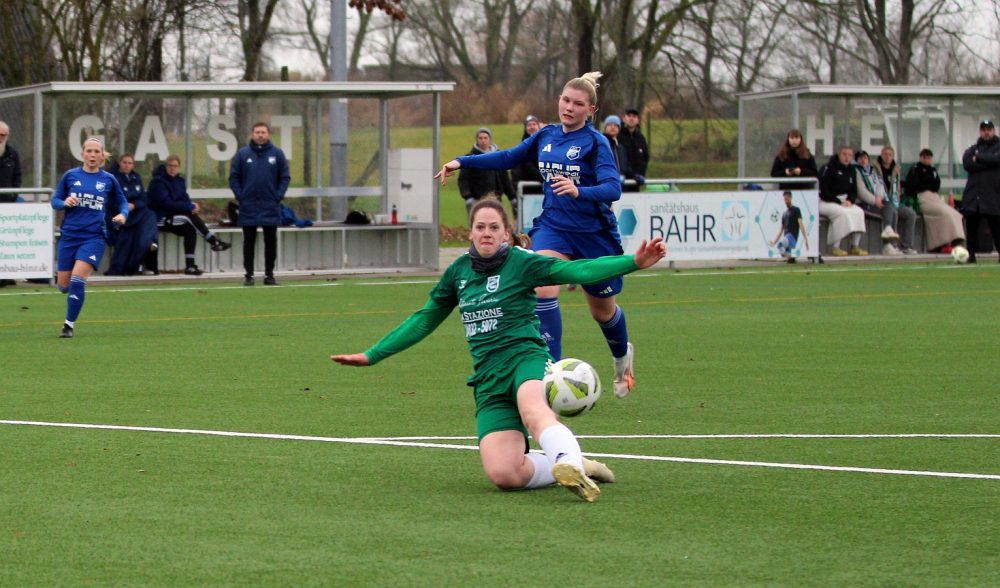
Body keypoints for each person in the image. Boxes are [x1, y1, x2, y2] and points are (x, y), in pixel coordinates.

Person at [332, 199, 667, 502]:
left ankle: (569, 461)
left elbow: (578, 269)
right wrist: (373, 354)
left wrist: (633, 262)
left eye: (494, 227)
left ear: (506, 233)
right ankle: (576, 464)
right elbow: (424, 319)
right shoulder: (458, 272)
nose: (487, 233)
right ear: (471, 232)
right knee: (505, 475)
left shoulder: (523, 263)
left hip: (526, 359)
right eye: (480, 227)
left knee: (533, 411)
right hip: (488, 379)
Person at [435, 72, 640, 399]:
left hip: (593, 234)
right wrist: (463, 161)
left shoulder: (596, 143)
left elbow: (613, 188)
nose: (569, 107)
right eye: (565, 100)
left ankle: (621, 359)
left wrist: (580, 190)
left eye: (578, 104)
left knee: (602, 312)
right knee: (542, 287)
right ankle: (551, 374)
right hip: (553, 227)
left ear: (591, 110)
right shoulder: (546, 135)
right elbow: (508, 157)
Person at [50, 138, 128, 337]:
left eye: (96, 151)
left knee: (77, 280)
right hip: (69, 237)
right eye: (89, 151)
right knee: (64, 286)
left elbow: (122, 202)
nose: (92, 155)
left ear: (102, 155)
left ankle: (68, 325)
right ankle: (68, 288)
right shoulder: (70, 176)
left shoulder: (108, 179)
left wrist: (122, 215)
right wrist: (64, 202)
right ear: (82, 154)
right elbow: (55, 200)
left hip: (93, 237)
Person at [147, 154, 231, 275]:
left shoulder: (180, 181)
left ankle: (190, 266)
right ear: (166, 166)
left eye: (175, 166)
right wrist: (188, 207)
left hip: (174, 217)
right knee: (188, 217)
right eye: (170, 165)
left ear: (178, 167)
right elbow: (166, 203)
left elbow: (184, 199)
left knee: (190, 228)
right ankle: (213, 241)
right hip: (160, 217)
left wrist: (192, 205)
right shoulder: (158, 182)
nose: (172, 168)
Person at [229, 122, 290, 286]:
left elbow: (285, 177)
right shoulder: (243, 154)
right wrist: (241, 196)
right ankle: (249, 275)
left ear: (268, 134)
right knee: (249, 241)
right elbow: (234, 177)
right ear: (252, 134)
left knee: (271, 242)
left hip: (270, 205)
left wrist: (277, 196)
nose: (260, 135)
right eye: (257, 132)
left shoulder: (277, 154)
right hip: (248, 205)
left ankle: (269, 275)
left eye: (263, 132)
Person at [104, 154, 159, 275]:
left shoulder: (136, 177)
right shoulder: (112, 178)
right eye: (124, 162)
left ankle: (151, 244)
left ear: (133, 165)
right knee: (129, 233)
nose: (127, 165)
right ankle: (129, 266)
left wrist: (134, 205)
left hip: (136, 212)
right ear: (119, 163)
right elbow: (111, 200)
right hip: (119, 214)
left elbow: (144, 198)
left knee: (150, 217)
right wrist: (124, 206)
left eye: (130, 163)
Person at [902, 148, 965, 252]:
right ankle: (939, 243)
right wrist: (927, 186)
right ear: (921, 158)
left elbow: (936, 185)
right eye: (925, 158)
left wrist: (927, 186)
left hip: (934, 197)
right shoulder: (915, 169)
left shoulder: (933, 170)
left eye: (929, 158)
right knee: (944, 213)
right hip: (922, 198)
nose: (927, 160)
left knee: (955, 213)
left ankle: (955, 239)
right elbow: (914, 186)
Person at [853, 150, 911, 256]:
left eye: (865, 158)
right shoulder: (855, 171)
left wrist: (879, 197)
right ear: (856, 160)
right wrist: (874, 200)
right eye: (860, 158)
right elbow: (861, 191)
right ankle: (889, 244)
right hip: (864, 203)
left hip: (879, 201)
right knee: (891, 209)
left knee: (892, 208)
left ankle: (891, 245)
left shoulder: (872, 171)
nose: (863, 160)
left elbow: (880, 185)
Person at [960, 119, 1000, 263]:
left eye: (989, 129)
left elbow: (997, 160)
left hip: (992, 195)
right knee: (971, 228)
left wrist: (978, 158)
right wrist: (988, 164)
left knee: (996, 227)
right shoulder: (973, 148)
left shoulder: (997, 147)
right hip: (974, 196)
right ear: (980, 131)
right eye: (983, 130)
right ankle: (970, 255)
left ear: (993, 131)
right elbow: (967, 163)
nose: (986, 132)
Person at [818, 145, 868, 256]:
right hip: (825, 201)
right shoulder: (828, 168)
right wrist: (839, 202)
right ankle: (835, 247)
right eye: (844, 154)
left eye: (849, 155)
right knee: (842, 213)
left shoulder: (852, 169)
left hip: (844, 201)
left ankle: (855, 246)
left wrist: (850, 200)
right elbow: (824, 191)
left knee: (859, 212)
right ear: (839, 155)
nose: (847, 157)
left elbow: (854, 191)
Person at [457, 127, 516, 220]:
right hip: (477, 199)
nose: (483, 140)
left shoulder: (498, 157)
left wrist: (512, 196)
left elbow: (505, 179)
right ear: (476, 140)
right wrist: (468, 196)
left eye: (485, 138)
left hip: (496, 199)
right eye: (480, 138)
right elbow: (463, 179)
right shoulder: (470, 158)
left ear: (490, 139)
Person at [875, 145, 918, 254]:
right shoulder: (875, 168)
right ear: (881, 155)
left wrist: (897, 199)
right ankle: (891, 246)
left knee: (911, 214)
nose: (887, 157)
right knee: (892, 209)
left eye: (890, 155)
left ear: (893, 156)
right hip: (880, 201)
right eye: (885, 154)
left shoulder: (896, 169)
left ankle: (906, 246)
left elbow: (897, 188)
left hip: (894, 201)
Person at [0, 120, 22, 287]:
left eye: (4, 135)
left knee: (6, 241)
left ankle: (6, 274)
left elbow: (17, 176)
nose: (1, 138)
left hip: (7, 206)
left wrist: (14, 195)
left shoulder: (12, 154)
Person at [510, 115, 545, 201]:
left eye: (534, 124)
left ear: (538, 126)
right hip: (528, 191)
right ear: (525, 129)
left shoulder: (547, 143)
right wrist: (544, 178)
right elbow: (528, 167)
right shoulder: (522, 147)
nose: (532, 127)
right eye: (529, 125)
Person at [770, 191, 810, 263]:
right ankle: (791, 257)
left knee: (780, 245)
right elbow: (781, 230)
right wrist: (774, 241)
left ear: (791, 198)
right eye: (784, 200)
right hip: (787, 239)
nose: (785, 201)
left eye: (787, 199)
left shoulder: (796, 210)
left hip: (792, 237)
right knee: (786, 257)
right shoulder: (784, 214)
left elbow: (801, 224)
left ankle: (792, 256)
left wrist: (806, 239)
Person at [602, 114, 637, 190]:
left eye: (615, 125)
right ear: (605, 128)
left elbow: (625, 167)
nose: (613, 127)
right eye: (610, 125)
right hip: (606, 186)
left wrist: (635, 176)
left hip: (621, 187)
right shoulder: (601, 145)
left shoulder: (620, 148)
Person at [618, 108, 649, 185]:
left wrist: (640, 174)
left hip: (636, 181)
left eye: (634, 116)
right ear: (624, 119)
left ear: (638, 120)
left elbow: (645, 158)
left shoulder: (641, 138)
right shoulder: (618, 136)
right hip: (620, 182)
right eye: (629, 116)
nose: (631, 118)